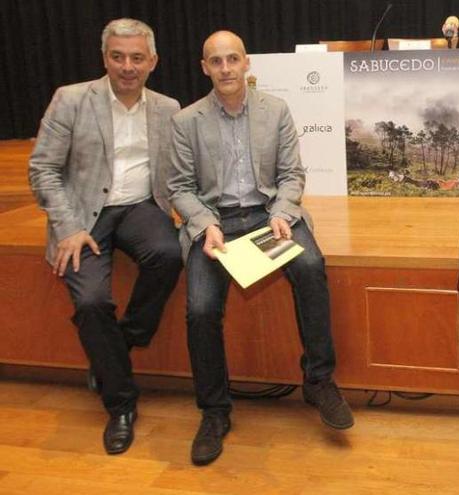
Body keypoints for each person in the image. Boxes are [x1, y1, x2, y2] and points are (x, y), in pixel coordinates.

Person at [168, 30, 353, 466]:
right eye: (217, 61)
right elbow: (178, 188)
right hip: (215, 224)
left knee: (311, 267)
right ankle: (214, 413)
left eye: (233, 59)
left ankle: (319, 381)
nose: (226, 68)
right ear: (204, 67)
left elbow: (292, 174)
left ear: (247, 63)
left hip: (269, 214)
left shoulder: (277, 111)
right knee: (200, 308)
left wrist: (283, 212)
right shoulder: (186, 121)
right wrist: (204, 225)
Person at [28, 18, 182, 455]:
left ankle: (117, 345)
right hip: (81, 216)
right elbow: (42, 170)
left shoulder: (168, 108)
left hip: (139, 208)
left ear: (152, 61)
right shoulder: (72, 100)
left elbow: (179, 174)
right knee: (93, 301)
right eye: (118, 56)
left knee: (170, 254)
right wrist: (69, 228)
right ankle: (121, 404)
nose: (127, 66)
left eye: (137, 57)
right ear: (105, 58)